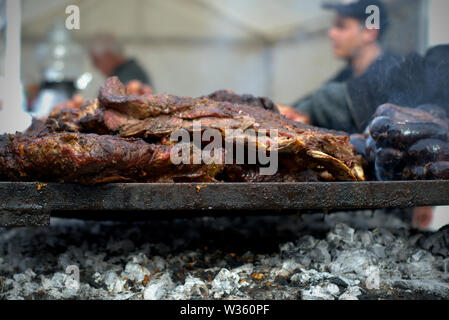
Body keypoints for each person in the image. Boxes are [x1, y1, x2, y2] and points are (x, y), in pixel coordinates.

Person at [281, 0, 402, 134]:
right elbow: (303, 104)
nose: (331, 33)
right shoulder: (346, 75)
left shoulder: (395, 71)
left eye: (341, 26)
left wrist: (303, 113)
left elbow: (322, 100)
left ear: (369, 31)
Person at [89, 34, 153, 91]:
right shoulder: (126, 71)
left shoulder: (128, 75)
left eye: (96, 60)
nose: (95, 66)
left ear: (110, 56)